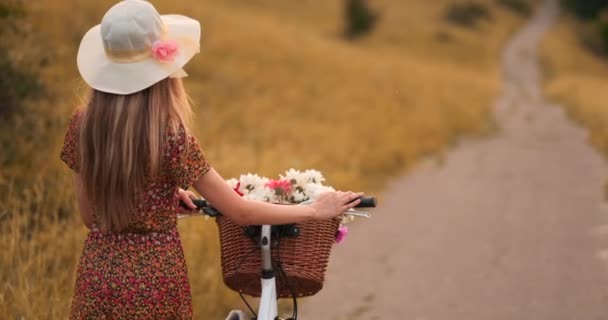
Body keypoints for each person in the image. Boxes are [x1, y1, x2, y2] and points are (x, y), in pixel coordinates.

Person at [59, 0, 363, 319]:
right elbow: (240, 211)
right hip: (156, 280)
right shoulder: (170, 137)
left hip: (98, 275)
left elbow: (90, 217)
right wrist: (314, 210)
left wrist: (152, 198)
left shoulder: (82, 126)